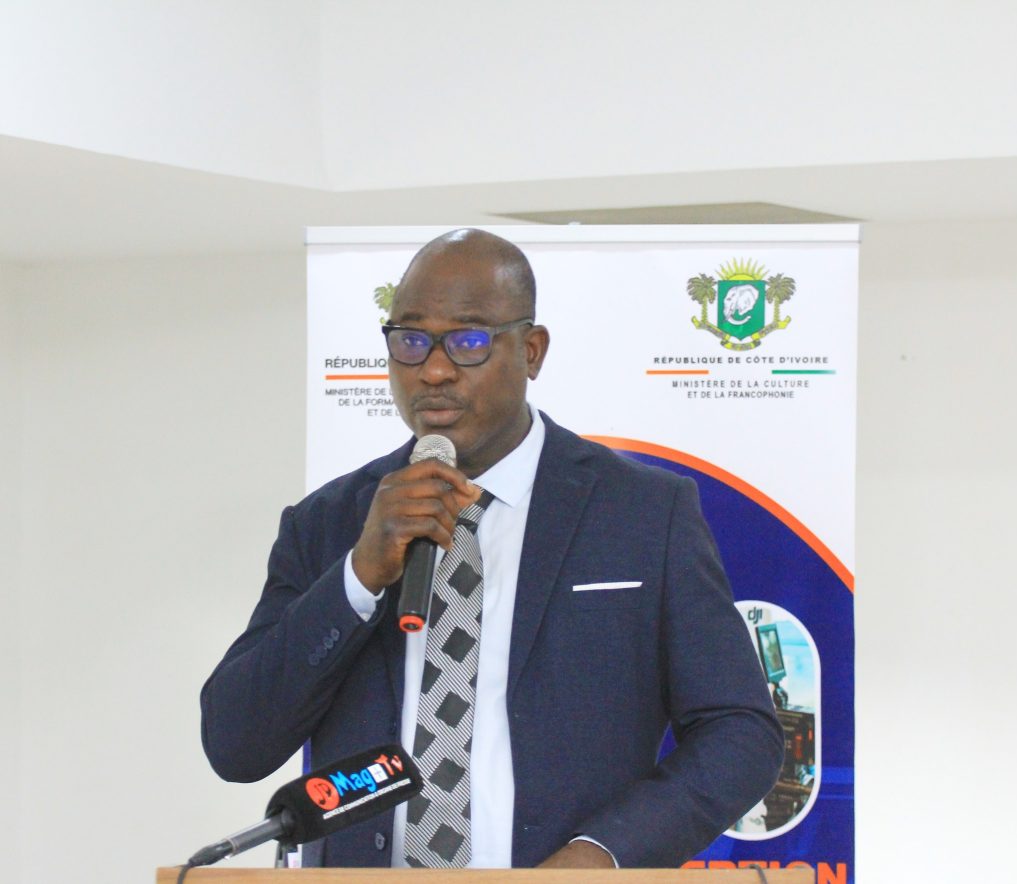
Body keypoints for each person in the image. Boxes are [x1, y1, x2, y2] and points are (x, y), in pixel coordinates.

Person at [200, 228, 783, 868]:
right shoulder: (328, 523)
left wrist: (603, 854)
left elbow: (740, 734)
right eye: (411, 341)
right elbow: (235, 744)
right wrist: (359, 576)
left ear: (531, 351)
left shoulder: (643, 512)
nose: (434, 370)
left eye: (469, 341)